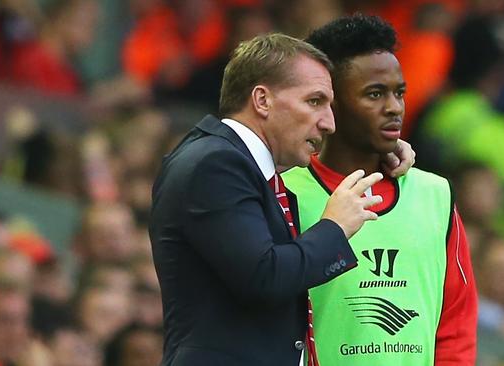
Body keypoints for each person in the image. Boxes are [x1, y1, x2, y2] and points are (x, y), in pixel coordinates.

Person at [148, 33, 414, 366]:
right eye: (315, 101)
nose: (328, 123)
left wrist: (379, 150)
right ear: (262, 100)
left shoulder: (252, 169)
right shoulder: (214, 164)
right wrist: (335, 227)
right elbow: (265, 276)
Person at [283, 14, 477, 365]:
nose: (394, 107)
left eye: (399, 92)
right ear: (330, 104)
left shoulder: (435, 194)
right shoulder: (285, 192)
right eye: (375, 94)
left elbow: (455, 326)